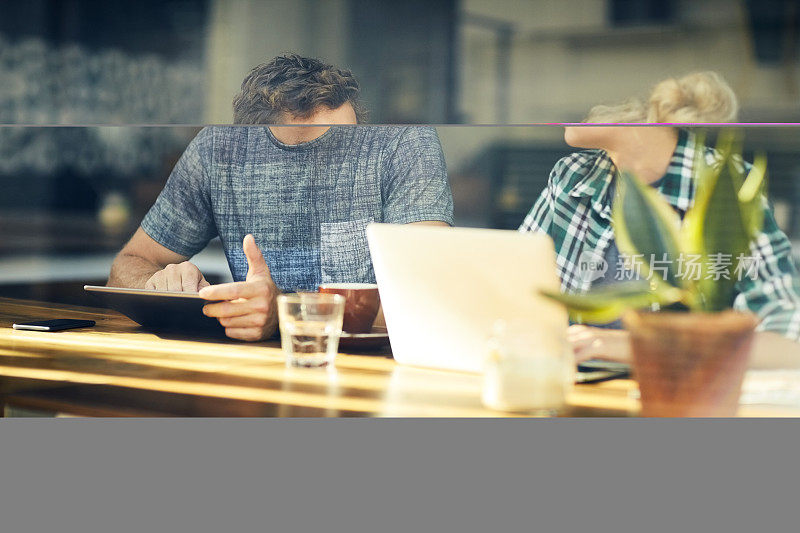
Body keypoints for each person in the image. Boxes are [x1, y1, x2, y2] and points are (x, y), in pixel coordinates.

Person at [108, 54, 453, 341]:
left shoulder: (404, 145)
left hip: (381, 372)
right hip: (256, 378)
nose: (335, 160)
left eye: (344, 139)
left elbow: (433, 297)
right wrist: (158, 285)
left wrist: (284, 311)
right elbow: (126, 266)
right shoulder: (218, 151)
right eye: (311, 148)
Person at [520, 71, 800, 368]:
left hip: (674, 394)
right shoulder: (574, 176)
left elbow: (788, 343)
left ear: (642, 120)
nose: (580, 114)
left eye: (598, 107)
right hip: (571, 382)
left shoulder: (722, 185)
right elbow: (513, 289)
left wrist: (632, 347)